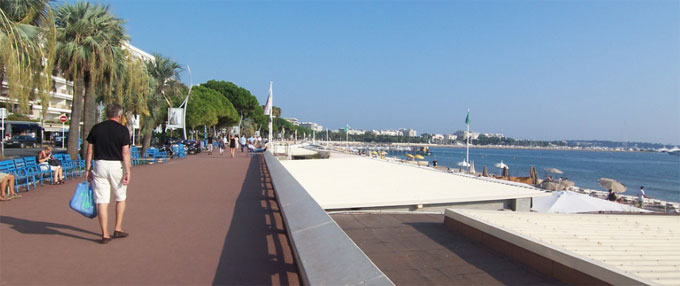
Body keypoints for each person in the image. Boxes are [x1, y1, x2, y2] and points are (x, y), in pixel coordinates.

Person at [86, 104, 131, 245]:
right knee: (120, 197)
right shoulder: (123, 130)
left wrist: (87, 169)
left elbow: (89, 151)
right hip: (115, 165)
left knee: (102, 200)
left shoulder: (96, 128)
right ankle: (117, 228)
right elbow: (125, 152)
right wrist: (128, 171)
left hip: (99, 165)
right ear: (119, 115)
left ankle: (105, 234)